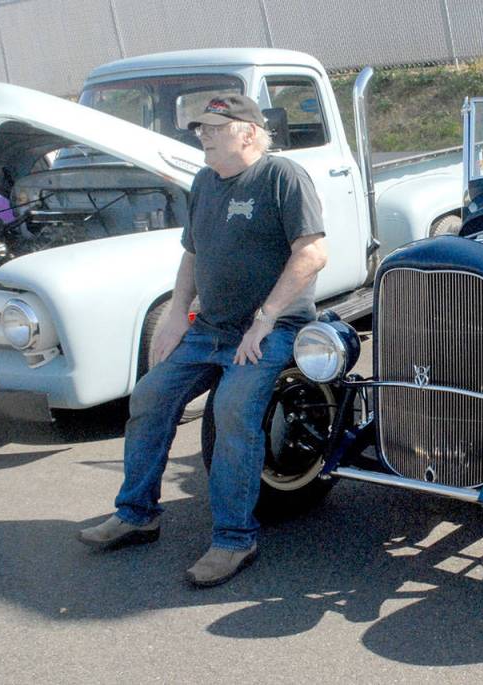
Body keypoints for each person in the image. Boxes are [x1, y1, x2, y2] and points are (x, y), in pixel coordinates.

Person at [78, 95, 327, 587]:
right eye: (200, 128)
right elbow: (192, 253)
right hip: (210, 329)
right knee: (149, 397)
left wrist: (266, 316)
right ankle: (136, 513)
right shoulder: (204, 182)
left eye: (214, 127)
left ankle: (234, 539)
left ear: (248, 133)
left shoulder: (282, 178)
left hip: (271, 330)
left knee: (232, 409)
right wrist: (175, 315)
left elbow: (312, 253)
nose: (202, 135)